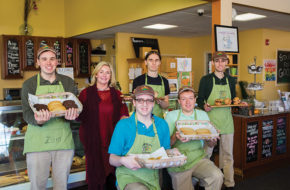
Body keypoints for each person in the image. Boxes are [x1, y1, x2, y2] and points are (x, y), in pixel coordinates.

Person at [21, 46, 79, 190]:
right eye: (44, 59)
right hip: (37, 144)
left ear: (57, 61)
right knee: (38, 186)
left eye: (52, 59)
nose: (49, 63)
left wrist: (72, 116)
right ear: (38, 62)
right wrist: (38, 120)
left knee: (61, 186)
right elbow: (27, 113)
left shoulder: (67, 82)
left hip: (63, 142)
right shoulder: (29, 84)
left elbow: (73, 106)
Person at [108, 85, 176, 190]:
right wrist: (122, 160)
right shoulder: (123, 125)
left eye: (149, 100)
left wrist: (172, 153)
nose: (145, 104)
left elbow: (164, 152)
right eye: (140, 100)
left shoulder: (162, 124)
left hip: (153, 178)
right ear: (134, 102)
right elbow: (112, 159)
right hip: (129, 177)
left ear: (153, 103)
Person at [78, 61, 129, 190]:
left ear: (111, 76)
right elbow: (79, 116)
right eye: (101, 72)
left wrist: (125, 119)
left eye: (108, 72)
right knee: (96, 175)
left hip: (113, 141)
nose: (104, 75)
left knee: (112, 175)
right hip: (93, 142)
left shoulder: (116, 94)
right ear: (96, 74)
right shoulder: (86, 93)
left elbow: (123, 114)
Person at [197, 52, 241, 190]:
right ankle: (203, 182)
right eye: (217, 61)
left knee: (228, 154)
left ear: (226, 63)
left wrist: (238, 103)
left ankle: (229, 182)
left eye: (223, 61)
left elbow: (233, 99)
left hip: (227, 121)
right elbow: (199, 99)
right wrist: (204, 106)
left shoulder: (231, 80)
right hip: (210, 121)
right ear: (213, 63)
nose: (220, 63)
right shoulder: (206, 79)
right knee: (206, 153)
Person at [165, 86, 223, 190]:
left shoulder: (203, 115)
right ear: (179, 101)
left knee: (217, 176)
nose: (188, 102)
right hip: (178, 162)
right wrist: (176, 137)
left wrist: (212, 139)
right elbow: (166, 145)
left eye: (191, 98)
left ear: (195, 100)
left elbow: (210, 144)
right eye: (183, 99)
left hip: (198, 158)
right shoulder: (171, 116)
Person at [132, 51, 170, 118]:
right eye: (150, 60)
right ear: (146, 62)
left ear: (160, 63)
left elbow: (166, 105)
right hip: (141, 119)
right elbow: (134, 102)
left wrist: (160, 102)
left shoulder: (165, 81)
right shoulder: (138, 80)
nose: (154, 63)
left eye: (156, 60)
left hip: (158, 120)